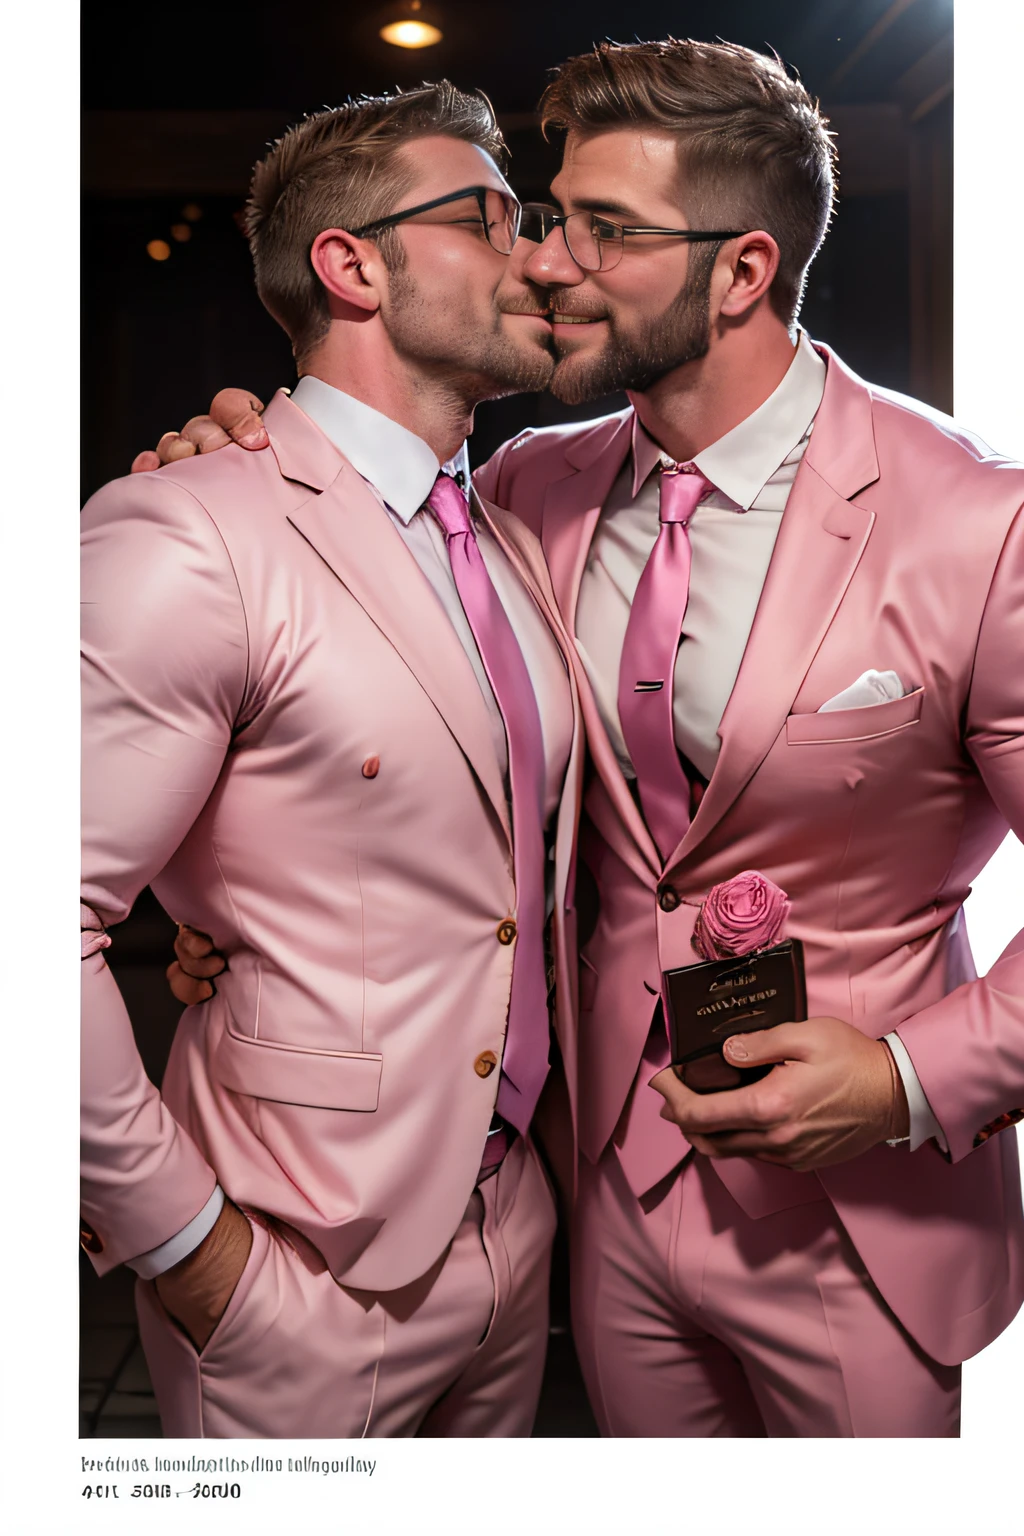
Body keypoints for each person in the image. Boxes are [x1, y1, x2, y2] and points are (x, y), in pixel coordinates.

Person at [149, 39, 1024, 1438]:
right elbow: (342, 592)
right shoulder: (524, 492)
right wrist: (230, 445)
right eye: (550, 218)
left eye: (603, 232)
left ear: (741, 271)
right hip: (603, 1190)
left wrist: (913, 1083)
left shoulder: (979, 520)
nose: (545, 263)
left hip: (859, 1215)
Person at [81, 82, 587, 1440]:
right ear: (351, 263)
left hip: (514, 1230)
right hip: (296, 1266)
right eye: (490, 220)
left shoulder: (513, 535)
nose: (542, 255)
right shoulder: (186, 530)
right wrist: (192, 1254)